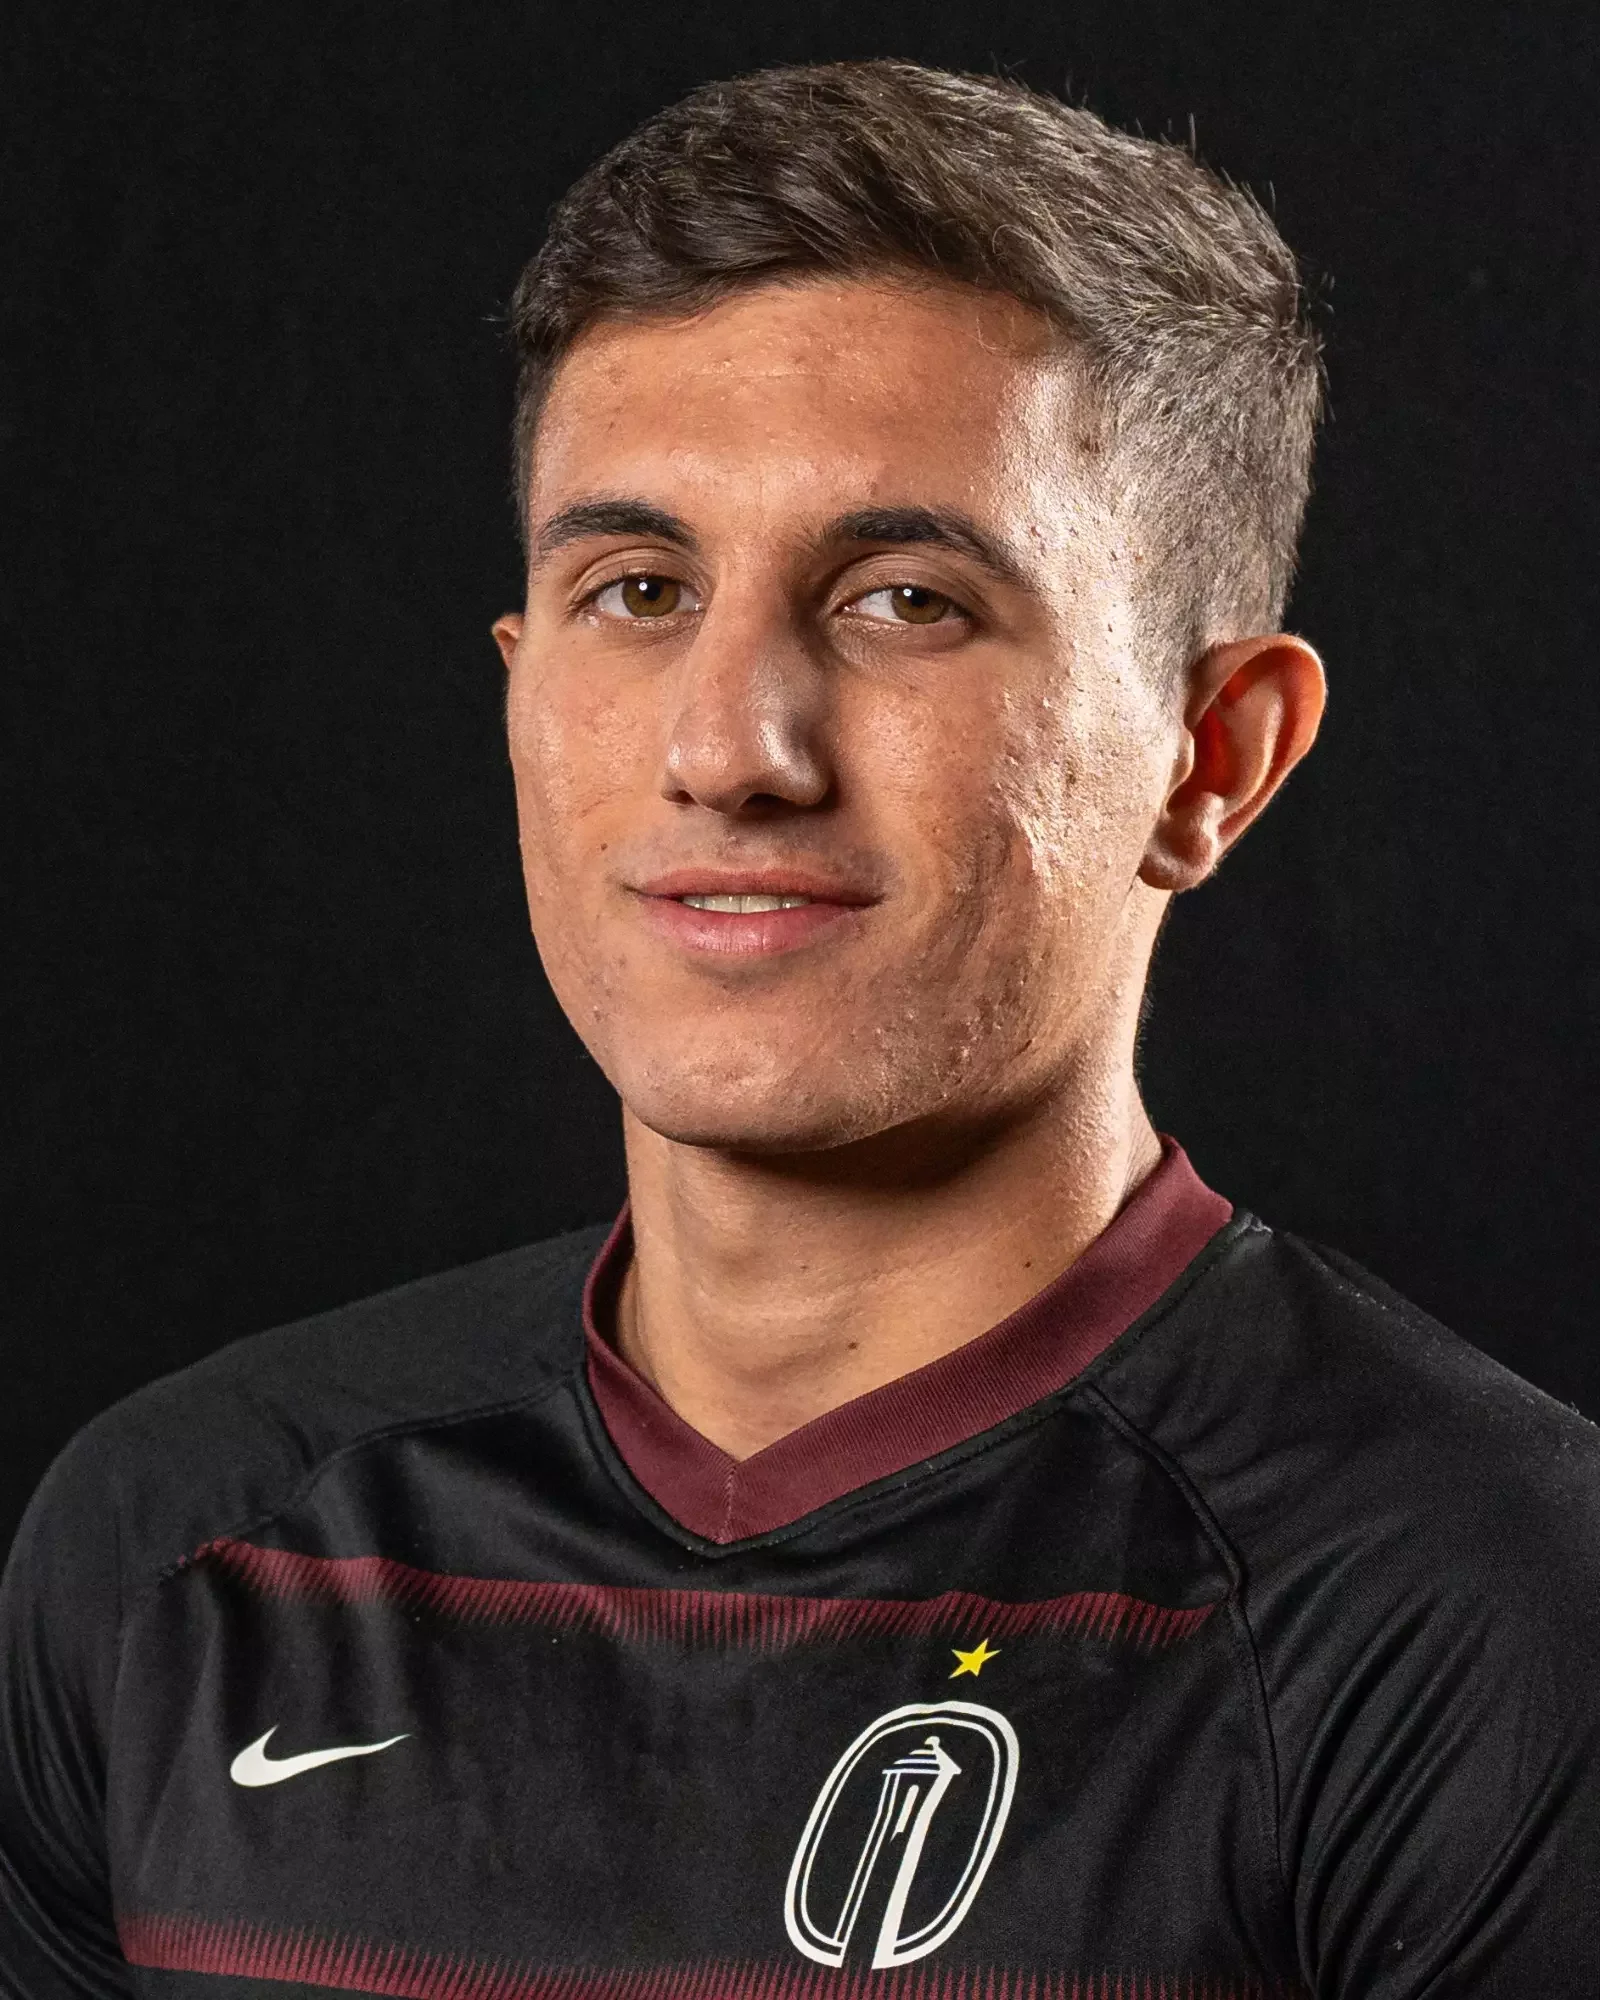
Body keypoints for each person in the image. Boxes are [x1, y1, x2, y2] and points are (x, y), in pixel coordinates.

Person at [3, 57, 1597, 2000]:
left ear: (1211, 755)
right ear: (518, 690)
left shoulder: (1481, 1616)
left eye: (905, 598)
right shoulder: (176, 1544)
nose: (727, 747)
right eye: (638, 587)